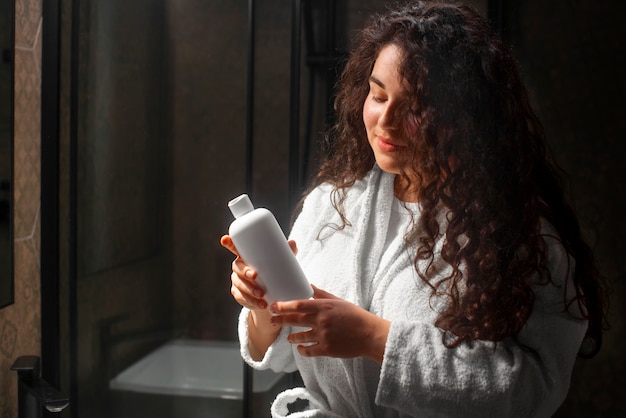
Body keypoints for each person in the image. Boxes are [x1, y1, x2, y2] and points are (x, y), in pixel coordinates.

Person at [221, 1, 606, 417]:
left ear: (466, 117)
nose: (386, 120)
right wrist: (264, 309)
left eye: (415, 108)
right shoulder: (333, 204)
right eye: (378, 94)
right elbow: (278, 355)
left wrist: (375, 338)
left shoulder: (518, 233)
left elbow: (535, 389)